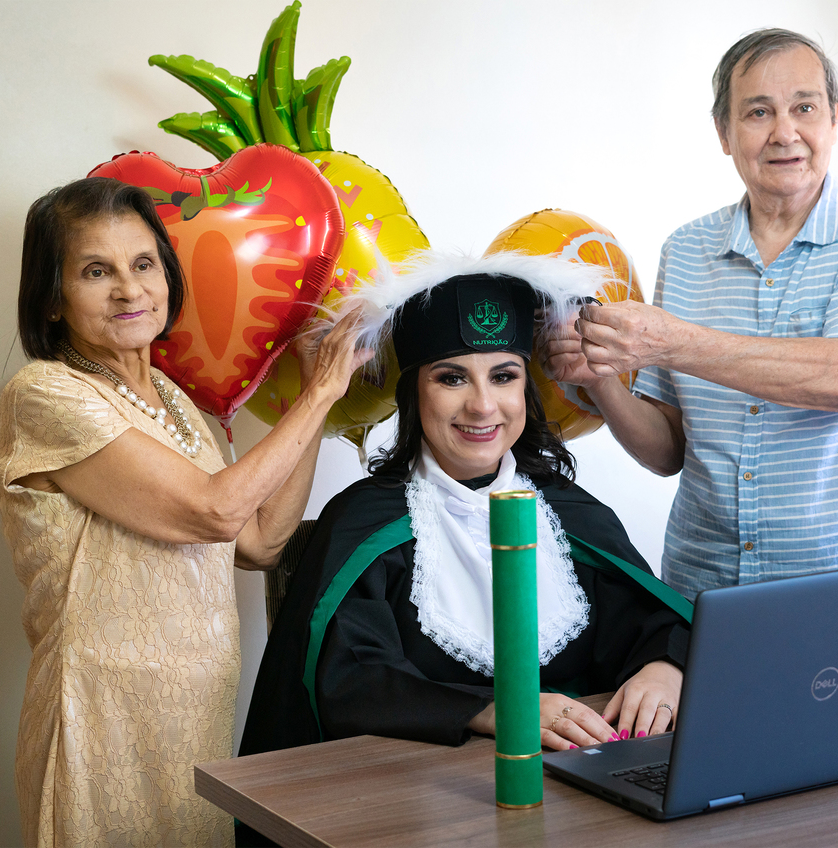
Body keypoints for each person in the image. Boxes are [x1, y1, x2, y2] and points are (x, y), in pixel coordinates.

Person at [0, 177, 370, 847]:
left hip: (195, 716)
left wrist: (312, 394)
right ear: (52, 298)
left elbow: (259, 541)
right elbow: (216, 512)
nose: (129, 290)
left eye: (143, 264)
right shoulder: (45, 392)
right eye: (96, 271)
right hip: (100, 716)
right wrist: (322, 395)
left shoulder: (172, 400)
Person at [238, 252, 691, 781]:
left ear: (526, 391)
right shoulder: (363, 521)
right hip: (421, 791)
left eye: (503, 376)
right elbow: (349, 679)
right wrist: (490, 711)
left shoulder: (570, 513)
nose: (482, 406)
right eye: (452, 378)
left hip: (582, 778)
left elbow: (654, 622)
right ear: (414, 394)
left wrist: (664, 668)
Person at [545, 28, 838, 598]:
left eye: (804, 107)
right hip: (708, 587)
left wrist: (672, 341)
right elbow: (668, 450)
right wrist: (602, 380)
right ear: (724, 133)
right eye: (758, 112)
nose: (785, 132)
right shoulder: (686, 250)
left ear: (834, 119)